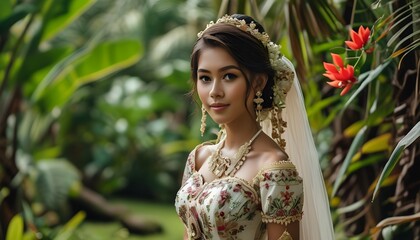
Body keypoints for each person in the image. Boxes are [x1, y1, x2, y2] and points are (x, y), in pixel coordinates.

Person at [175, 14, 335, 240]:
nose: (214, 92)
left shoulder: (275, 169)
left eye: (229, 76)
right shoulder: (198, 158)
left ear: (259, 82)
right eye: (205, 78)